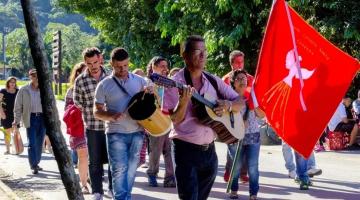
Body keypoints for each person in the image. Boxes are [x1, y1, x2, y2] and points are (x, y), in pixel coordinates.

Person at [163, 35, 243, 200]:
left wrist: (227, 105)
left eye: (204, 51)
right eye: (197, 51)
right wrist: (184, 101)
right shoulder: (173, 83)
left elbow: (240, 101)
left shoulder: (213, 80)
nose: (202, 56)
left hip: (209, 153)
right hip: (185, 150)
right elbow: (175, 119)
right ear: (185, 55)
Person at [94, 47, 150, 199]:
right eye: (118, 66)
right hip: (115, 133)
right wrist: (111, 115)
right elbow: (96, 112)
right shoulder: (104, 84)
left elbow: (152, 105)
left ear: (129, 62)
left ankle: (126, 197)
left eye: (125, 65)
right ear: (111, 64)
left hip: (137, 132)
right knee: (119, 169)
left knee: (132, 170)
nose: (122, 69)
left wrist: (152, 94)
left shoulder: (140, 81)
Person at [73, 47, 112, 199]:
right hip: (92, 125)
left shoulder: (111, 75)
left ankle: (112, 188)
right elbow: (77, 101)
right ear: (85, 63)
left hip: (111, 125)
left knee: (112, 159)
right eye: (90, 63)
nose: (94, 66)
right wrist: (92, 108)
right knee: (94, 160)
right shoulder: (80, 80)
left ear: (100, 59)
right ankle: (97, 191)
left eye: (95, 62)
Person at [227, 69, 264, 200]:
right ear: (233, 82)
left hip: (253, 135)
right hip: (235, 137)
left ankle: (253, 193)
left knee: (253, 166)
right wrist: (239, 123)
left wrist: (255, 105)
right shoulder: (229, 98)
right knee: (236, 166)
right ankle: (234, 189)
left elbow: (262, 115)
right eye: (238, 79)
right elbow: (225, 118)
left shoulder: (253, 96)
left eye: (244, 78)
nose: (242, 80)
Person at [145, 56, 176, 188]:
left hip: (169, 120)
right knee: (156, 150)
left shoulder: (169, 82)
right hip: (154, 121)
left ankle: (170, 178)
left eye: (166, 66)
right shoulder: (147, 82)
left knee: (169, 150)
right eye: (162, 66)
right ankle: (152, 173)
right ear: (154, 67)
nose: (165, 69)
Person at [222, 50, 251, 183]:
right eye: (237, 62)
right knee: (232, 145)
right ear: (231, 64)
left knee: (245, 144)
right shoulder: (225, 79)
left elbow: (253, 97)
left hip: (247, 114)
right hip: (231, 115)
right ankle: (229, 170)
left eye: (242, 62)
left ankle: (243, 173)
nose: (240, 65)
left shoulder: (250, 78)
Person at [13, 69, 46, 174]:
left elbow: (51, 105)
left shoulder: (45, 89)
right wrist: (16, 120)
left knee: (40, 143)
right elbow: (18, 107)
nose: (35, 78)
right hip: (30, 117)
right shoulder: (24, 89)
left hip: (42, 118)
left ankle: (36, 162)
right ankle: (34, 165)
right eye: (33, 76)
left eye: (37, 75)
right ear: (30, 76)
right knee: (32, 142)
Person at [65, 62, 89, 194]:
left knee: (92, 157)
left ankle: (88, 177)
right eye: (83, 71)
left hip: (94, 127)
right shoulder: (71, 90)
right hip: (78, 128)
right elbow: (66, 112)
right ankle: (84, 184)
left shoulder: (96, 86)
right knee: (83, 156)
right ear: (77, 74)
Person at [0, 77, 19, 154]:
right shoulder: (3, 91)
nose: (12, 83)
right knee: (7, 132)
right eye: (11, 82)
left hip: (15, 114)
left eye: (14, 82)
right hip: (5, 114)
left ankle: (16, 148)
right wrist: (1, 113)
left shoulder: (18, 91)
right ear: (8, 83)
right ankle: (8, 149)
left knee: (15, 132)